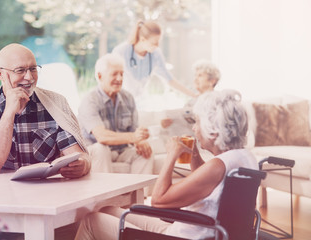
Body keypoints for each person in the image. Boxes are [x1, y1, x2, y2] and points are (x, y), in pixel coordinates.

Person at [74, 89, 258, 240]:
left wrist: (171, 155)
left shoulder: (217, 166)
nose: (194, 128)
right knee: (107, 209)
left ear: (214, 131)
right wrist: (193, 153)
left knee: (92, 220)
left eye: (198, 122)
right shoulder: (244, 158)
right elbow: (208, 184)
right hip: (202, 229)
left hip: (185, 236)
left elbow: (159, 201)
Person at [0, 43, 90, 179]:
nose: (29, 77)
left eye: (33, 69)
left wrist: (83, 165)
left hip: (46, 193)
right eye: (20, 70)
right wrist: (9, 112)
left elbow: (79, 155)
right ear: (0, 74)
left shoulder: (55, 104)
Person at [77, 53, 154, 175]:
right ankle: (106, 194)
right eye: (114, 74)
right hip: (96, 151)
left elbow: (134, 131)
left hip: (121, 151)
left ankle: (140, 194)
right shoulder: (89, 100)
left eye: (122, 74)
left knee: (145, 153)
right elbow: (102, 137)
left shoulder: (128, 98)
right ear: (100, 76)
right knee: (101, 149)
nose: (119, 79)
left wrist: (140, 141)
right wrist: (134, 137)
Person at [112, 20, 196, 101]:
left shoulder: (155, 54)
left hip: (140, 101)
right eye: (154, 43)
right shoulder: (121, 52)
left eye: (158, 42)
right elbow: (110, 79)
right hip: (120, 99)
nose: (157, 46)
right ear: (142, 39)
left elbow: (169, 79)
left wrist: (193, 95)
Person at [160, 59, 221, 137]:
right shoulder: (191, 102)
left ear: (212, 81)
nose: (195, 79)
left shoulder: (218, 101)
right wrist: (167, 124)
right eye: (195, 75)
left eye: (200, 75)